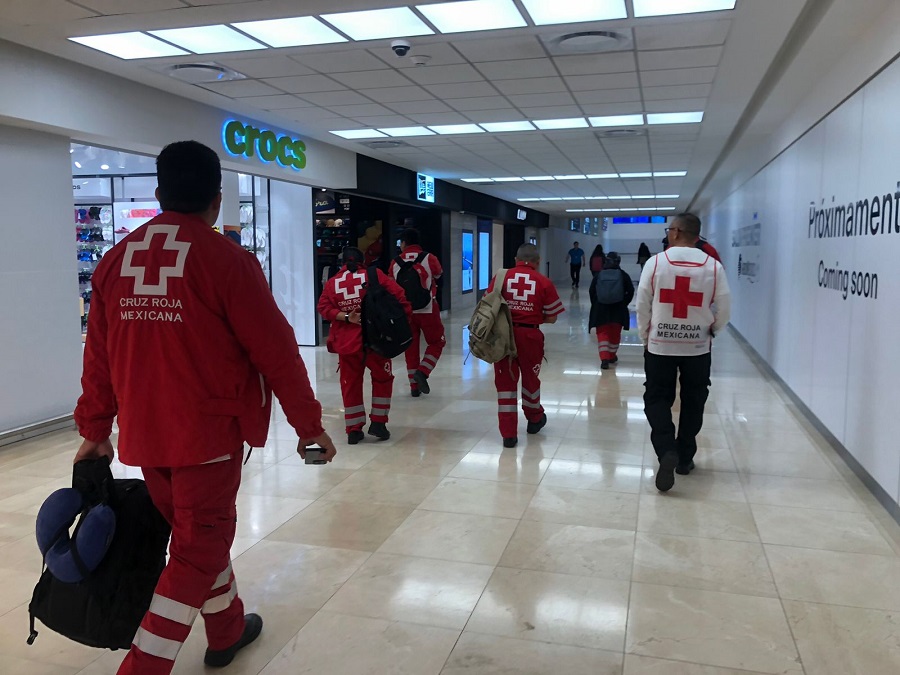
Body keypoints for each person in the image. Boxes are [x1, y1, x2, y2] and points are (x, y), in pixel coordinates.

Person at [73, 141, 336, 675]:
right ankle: (143, 667)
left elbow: (96, 358)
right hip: (209, 440)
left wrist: (96, 428)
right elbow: (277, 352)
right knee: (195, 553)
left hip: (148, 436)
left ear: (157, 193)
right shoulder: (228, 262)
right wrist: (308, 424)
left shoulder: (113, 262)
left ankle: (228, 629)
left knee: (200, 538)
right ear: (217, 202)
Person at [637, 212, 731, 492]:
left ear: (676, 232)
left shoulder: (656, 262)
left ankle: (667, 449)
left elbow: (642, 301)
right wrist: (712, 329)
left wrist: (646, 335)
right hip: (698, 348)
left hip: (660, 345)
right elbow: (724, 307)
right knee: (694, 400)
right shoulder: (713, 267)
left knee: (656, 398)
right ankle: (685, 457)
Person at [318, 247, 411, 444]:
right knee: (383, 380)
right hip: (377, 340)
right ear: (363, 261)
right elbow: (400, 297)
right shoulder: (374, 275)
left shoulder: (333, 282)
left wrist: (345, 317)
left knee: (350, 384)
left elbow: (323, 308)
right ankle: (378, 423)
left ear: (342, 262)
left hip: (347, 344)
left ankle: (353, 428)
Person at [487, 243, 564, 447]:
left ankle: (508, 435)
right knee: (531, 380)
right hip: (530, 336)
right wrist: (532, 318)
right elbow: (553, 317)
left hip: (503, 337)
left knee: (505, 385)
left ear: (515, 259)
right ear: (537, 262)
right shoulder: (544, 282)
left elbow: (488, 307)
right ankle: (534, 419)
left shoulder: (500, 278)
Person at [389, 228, 445, 397]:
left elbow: (391, 286)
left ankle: (414, 386)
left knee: (410, 347)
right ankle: (423, 371)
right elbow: (438, 275)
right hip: (428, 309)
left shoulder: (395, 262)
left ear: (404, 243)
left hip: (406, 311)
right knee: (437, 342)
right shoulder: (429, 258)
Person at [589, 252, 634, 370]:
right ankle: (612, 356)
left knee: (602, 333)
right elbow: (631, 290)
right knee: (615, 334)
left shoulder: (599, 275)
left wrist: (596, 303)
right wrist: (624, 302)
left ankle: (604, 359)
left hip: (601, 309)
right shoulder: (623, 275)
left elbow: (592, 291)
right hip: (618, 309)